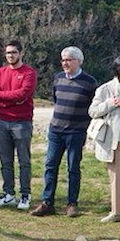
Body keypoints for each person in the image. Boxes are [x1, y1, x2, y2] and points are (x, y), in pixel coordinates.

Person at [31, 47, 98, 218]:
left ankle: (72, 203)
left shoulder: (89, 82)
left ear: (79, 61)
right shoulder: (58, 78)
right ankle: (47, 203)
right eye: (63, 60)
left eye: (69, 60)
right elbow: (56, 100)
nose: (65, 63)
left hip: (76, 132)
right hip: (56, 130)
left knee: (73, 168)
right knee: (50, 166)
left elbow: (94, 107)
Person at [0, 39, 37, 210]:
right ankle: (8, 194)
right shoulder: (0, 72)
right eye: (8, 53)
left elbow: (23, 94)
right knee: (5, 161)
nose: (11, 55)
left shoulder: (28, 73)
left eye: (14, 52)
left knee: (24, 161)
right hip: (2, 122)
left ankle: (25, 195)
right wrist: (10, 99)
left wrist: (2, 96)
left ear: (21, 53)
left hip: (22, 123)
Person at [88, 57, 120, 223]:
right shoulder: (105, 89)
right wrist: (110, 103)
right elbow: (93, 111)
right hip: (115, 140)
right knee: (116, 177)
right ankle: (116, 212)